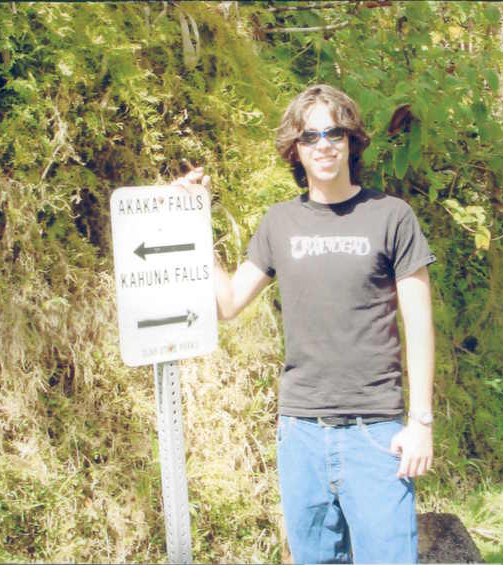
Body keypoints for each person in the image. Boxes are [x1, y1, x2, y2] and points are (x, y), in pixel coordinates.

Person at [175, 84, 435, 564]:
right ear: (295, 148)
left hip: (375, 432)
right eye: (310, 136)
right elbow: (228, 303)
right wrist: (194, 220)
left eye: (334, 132)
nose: (324, 145)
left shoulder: (391, 216)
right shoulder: (280, 223)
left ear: (351, 140)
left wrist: (421, 422)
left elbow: (419, 325)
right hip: (300, 434)